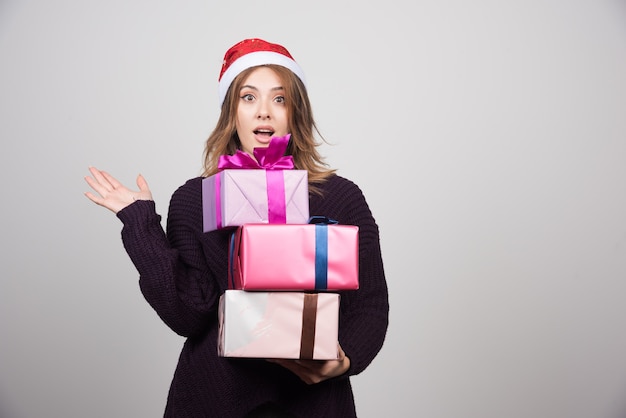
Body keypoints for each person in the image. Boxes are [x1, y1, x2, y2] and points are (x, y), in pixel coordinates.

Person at [84, 38, 389, 418]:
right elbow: (189, 313)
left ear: (296, 112)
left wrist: (344, 361)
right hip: (214, 399)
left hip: (314, 404)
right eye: (249, 97)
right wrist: (140, 223)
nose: (264, 112)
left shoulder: (340, 198)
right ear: (232, 111)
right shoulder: (196, 199)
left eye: (279, 99)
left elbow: (370, 305)